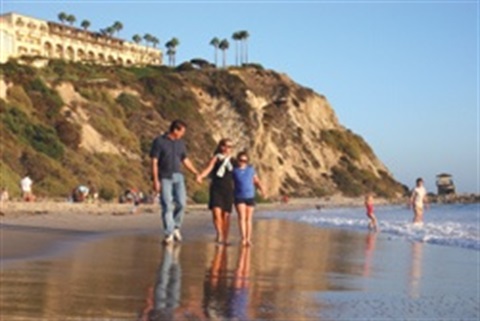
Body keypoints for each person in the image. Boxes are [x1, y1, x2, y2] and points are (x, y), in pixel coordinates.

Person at [150, 119, 199, 244]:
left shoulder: (180, 143)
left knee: (182, 203)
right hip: (164, 176)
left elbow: (185, 160)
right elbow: (154, 162)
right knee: (167, 205)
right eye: (182, 131)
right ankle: (169, 232)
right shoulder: (159, 142)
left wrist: (195, 172)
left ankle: (176, 227)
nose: (183, 134)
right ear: (175, 130)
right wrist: (155, 180)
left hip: (178, 176)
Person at [197, 138, 235, 244]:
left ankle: (225, 236)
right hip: (216, 188)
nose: (227, 149)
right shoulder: (216, 158)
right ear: (221, 146)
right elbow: (209, 168)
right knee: (216, 212)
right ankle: (219, 234)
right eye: (226, 146)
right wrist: (201, 176)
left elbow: (239, 174)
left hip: (228, 190)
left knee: (226, 215)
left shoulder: (233, 161)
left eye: (230, 147)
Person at [232, 151, 266, 246]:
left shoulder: (251, 170)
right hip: (239, 196)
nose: (243, 162)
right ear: (238, 160)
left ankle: (248, 238)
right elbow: (229, 183)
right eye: (241, 160)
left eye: (245, 160)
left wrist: (262, 190)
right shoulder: (234, 171)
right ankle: (243, 238)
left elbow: (256, 181)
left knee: (249, 219)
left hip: (250, 196)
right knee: (242, 218)